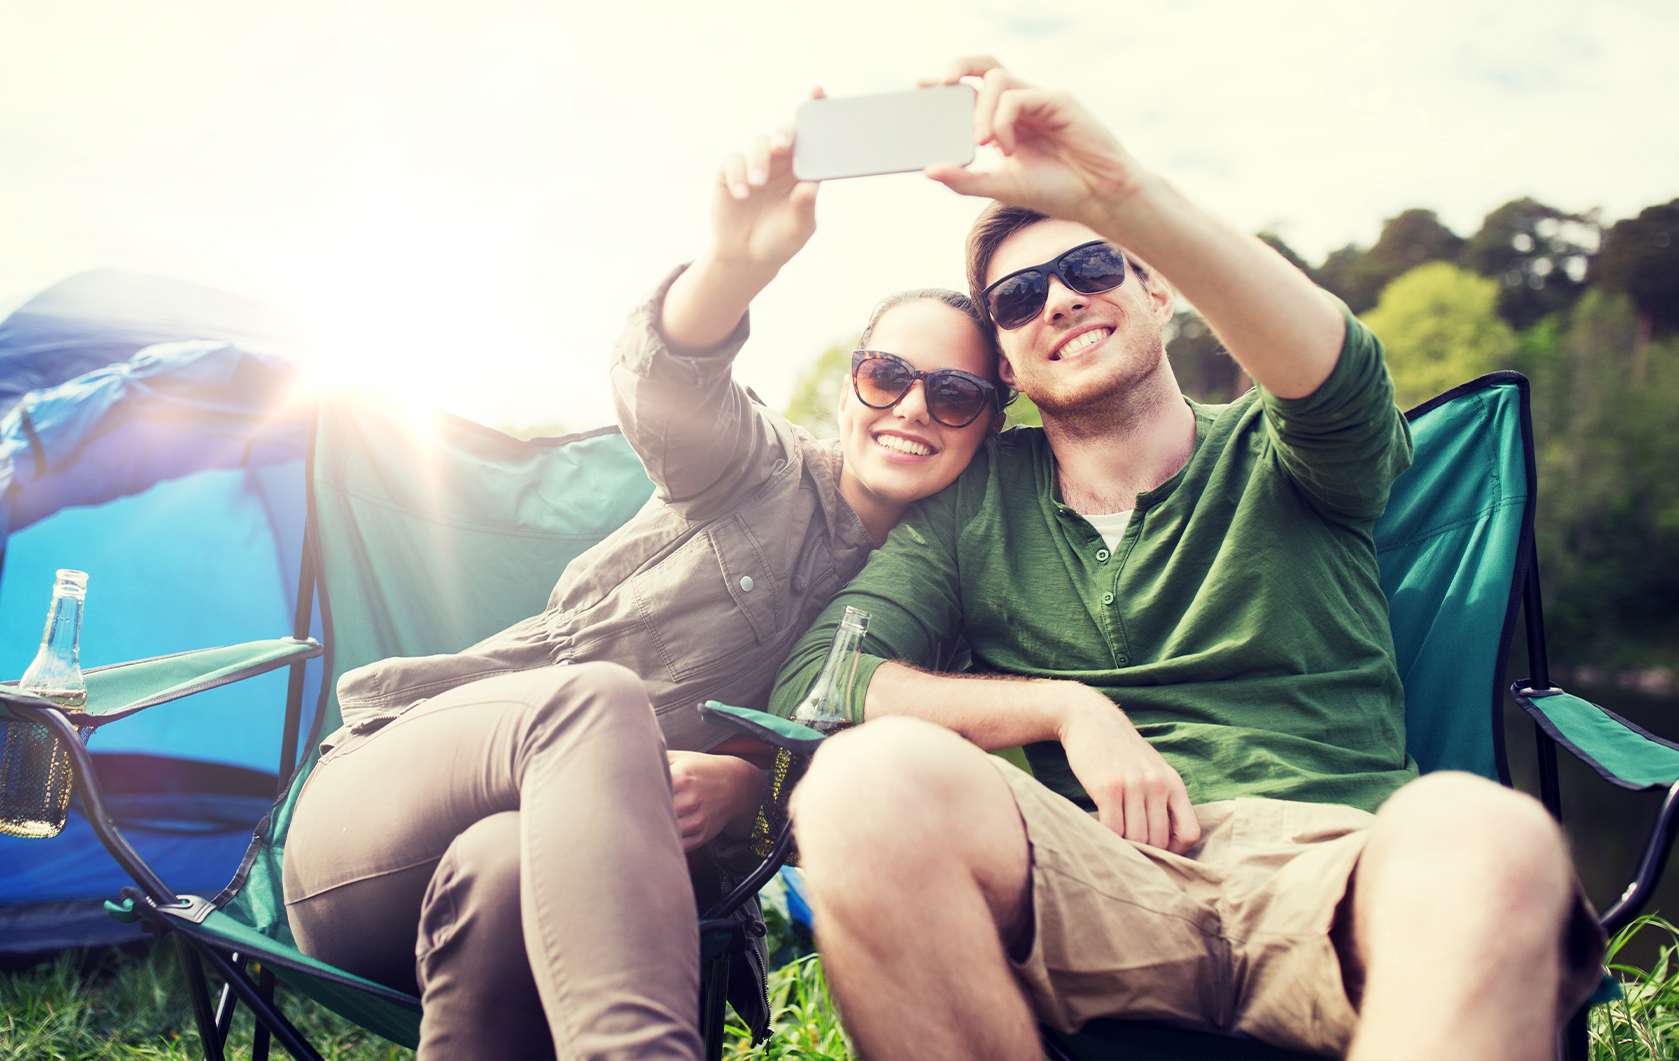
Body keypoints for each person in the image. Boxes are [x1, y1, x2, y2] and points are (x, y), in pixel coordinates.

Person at [772, 57, 1604, 1061]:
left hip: (1328, 864)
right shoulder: (977, 502)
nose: (1061, 302)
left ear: (1159, 288)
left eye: (1091, 269)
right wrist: (1064, 706)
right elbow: (826, 678)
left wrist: (1121, 194)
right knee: (862, 788)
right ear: (1005, 361)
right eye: (1019, 296)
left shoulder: (1293, 448)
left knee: (1492, 837)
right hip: (1091, 878)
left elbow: (1338, 369)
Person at [279, 126, 1006, 1060]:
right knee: (597, 705)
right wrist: (734, 266)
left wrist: (753, 793)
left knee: (505, 867)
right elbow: (669, 381)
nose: (911, 408)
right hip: (370, 835)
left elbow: (881, 810)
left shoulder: (939, 625)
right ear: (848, 389)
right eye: (888, 375)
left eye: (952, 394)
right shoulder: (758, 470)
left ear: (989, 425)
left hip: (535, 897)